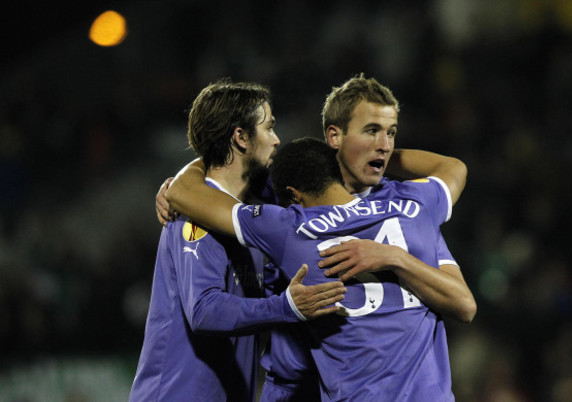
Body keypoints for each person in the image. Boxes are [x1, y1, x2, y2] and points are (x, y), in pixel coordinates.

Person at [158, 74, 475, 399]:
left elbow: (464, 305)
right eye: (371, 132)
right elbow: (453, 169)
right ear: (334, 137)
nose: (385, 143)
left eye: (390, 134)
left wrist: (393, 255)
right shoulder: (413, 205)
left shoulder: (290, 223)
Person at [129, 80, 346, 402]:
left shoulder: (248, 216)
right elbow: (203, 309)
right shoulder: (194, 214)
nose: (276, 140)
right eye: (268, 127)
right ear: (241, 137)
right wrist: (287, 307)